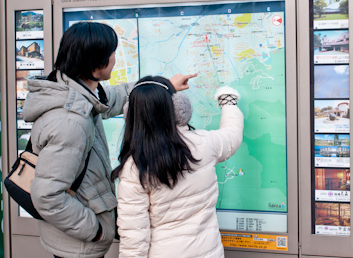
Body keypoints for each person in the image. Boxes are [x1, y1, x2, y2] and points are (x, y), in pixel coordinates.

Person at [22, 22, 196, 258]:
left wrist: (163, 86)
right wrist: (97, 231)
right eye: (112, 53)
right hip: (78, 247)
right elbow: (47, 197)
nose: (115, 57)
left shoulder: (73, 89)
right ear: (97, 65)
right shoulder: (70, 122)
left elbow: (112, 98)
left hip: (75, 238)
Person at [113, 76, 244, 258]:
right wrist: (228, 103)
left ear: (131, 115)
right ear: (178, 108)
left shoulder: (135, 167)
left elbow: (134, 238)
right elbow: (232, 135)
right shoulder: (204, 143)